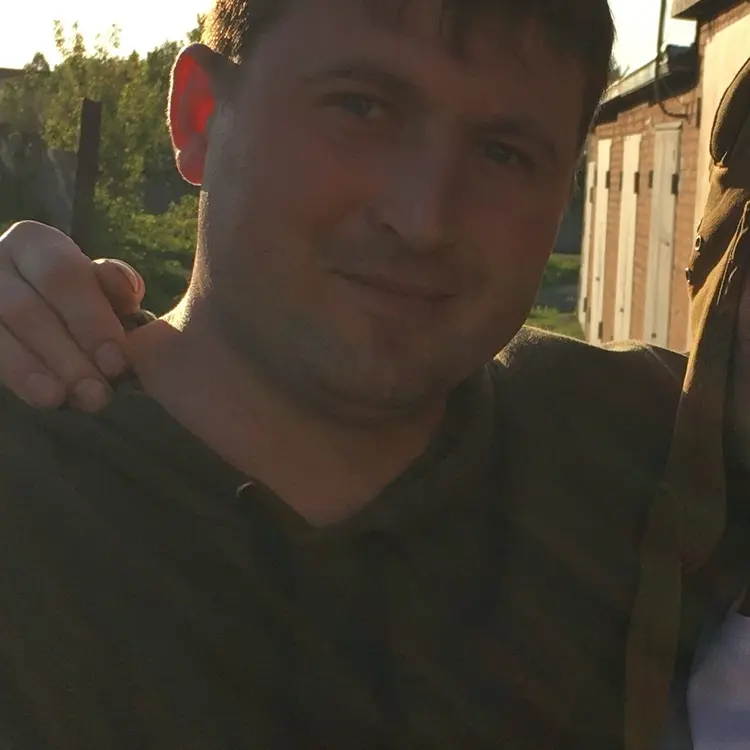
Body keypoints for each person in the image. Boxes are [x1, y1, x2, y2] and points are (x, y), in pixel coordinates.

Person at [0, 0, 747, 747]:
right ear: (199, 116)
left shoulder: (648, 443)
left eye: (504, 153)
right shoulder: (29, 494)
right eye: (361, 108)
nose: (424, 220)